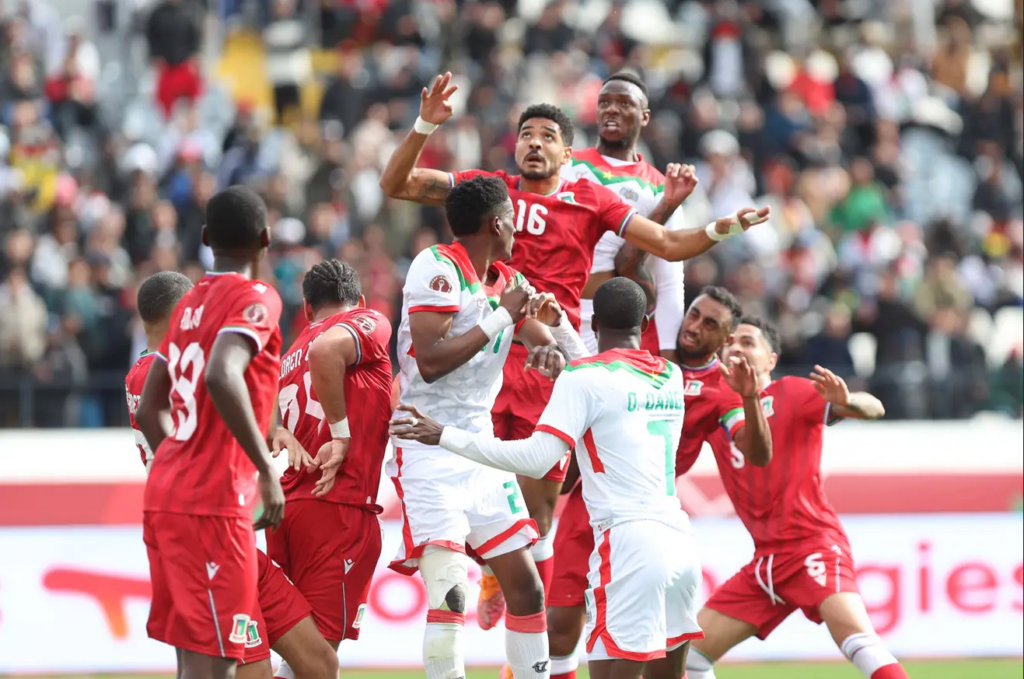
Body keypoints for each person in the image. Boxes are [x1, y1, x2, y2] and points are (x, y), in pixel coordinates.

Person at [379, 72, 770, 624]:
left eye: (547, 137)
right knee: (468, 484)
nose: (534, 144)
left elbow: (665, 244)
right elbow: (397, 183)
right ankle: (480, 573)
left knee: (539, 512)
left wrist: (721, 229)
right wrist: (424, 125)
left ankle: (501, 581)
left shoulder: (590, 198)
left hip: (548, 355)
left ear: (569, 154)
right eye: (526, 135)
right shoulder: (492, 190)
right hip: (484, 355)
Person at [391, 277, 702, 679]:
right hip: (680, 542)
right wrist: (561, 328)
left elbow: (537, 459)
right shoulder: (670, 376)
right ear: (644, 325)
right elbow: (602, 381)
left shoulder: (586, 379)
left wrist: (444, 436)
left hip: (629, 544)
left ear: (595, 324)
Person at [385, 175, 586, 679]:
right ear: (497, 224)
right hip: (424, 441)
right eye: (513, 221)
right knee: (451, 591)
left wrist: (547, 350)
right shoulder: (436, 266)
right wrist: (501, 318)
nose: (518, 230)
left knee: (528, 590)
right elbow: (430, 361)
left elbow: (541, 339)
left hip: (478, 446)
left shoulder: (507, 281)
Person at [544, 287, 774, 679]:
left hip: (646, 520)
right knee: (559, 629)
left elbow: (756, 453)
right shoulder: (645, 348)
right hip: (592, 503)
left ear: (726, 339)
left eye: (710, 324)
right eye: (694, 314)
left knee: (648, 651)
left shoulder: (722, 390)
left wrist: (751, 400)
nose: (694, 326)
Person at [128, 269, 338, 679]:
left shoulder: (152, 372)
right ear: (182, 313)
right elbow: (224, 392)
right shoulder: (162, 373)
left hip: (234, 538)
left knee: (319, 661)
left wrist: (272, 430)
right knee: (252, 672)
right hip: (207, 544)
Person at [685, 318, 906, 679]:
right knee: (689, 658)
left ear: (770, 360)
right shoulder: (717, 411)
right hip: (766, 564)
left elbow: (874, 408)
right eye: (731, 342)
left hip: (811, 546)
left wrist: (848, 401)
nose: (736, 347)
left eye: (748, 342)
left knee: (858, 640)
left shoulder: (791, 392)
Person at [135, 185, 286, 679]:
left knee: (192, 661)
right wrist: (265, 468)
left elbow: (151, 407)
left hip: (166, 494)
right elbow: (223, 373)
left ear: (204, 238)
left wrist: (182, 466)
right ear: (265, 239)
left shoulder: (187, 305)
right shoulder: (256, 297)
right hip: (216, 503)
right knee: (219, 663)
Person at [267, 258, 393, 672]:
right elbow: (327, 350)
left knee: (301, 656)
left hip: (290, 510)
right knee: (319, 661)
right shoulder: (365, 323)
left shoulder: (289, 355)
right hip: (336, 506)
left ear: (307, 309)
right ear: (360, 301)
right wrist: (341, 433)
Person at [562, 72, 690, 362]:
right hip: (550, 309)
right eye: (604, 102)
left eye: (624, 103)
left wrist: (669, 356)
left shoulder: (661, 189)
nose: (612, 109)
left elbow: (670, 281)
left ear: (645, 117)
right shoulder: (564, 163)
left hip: (606, 326)